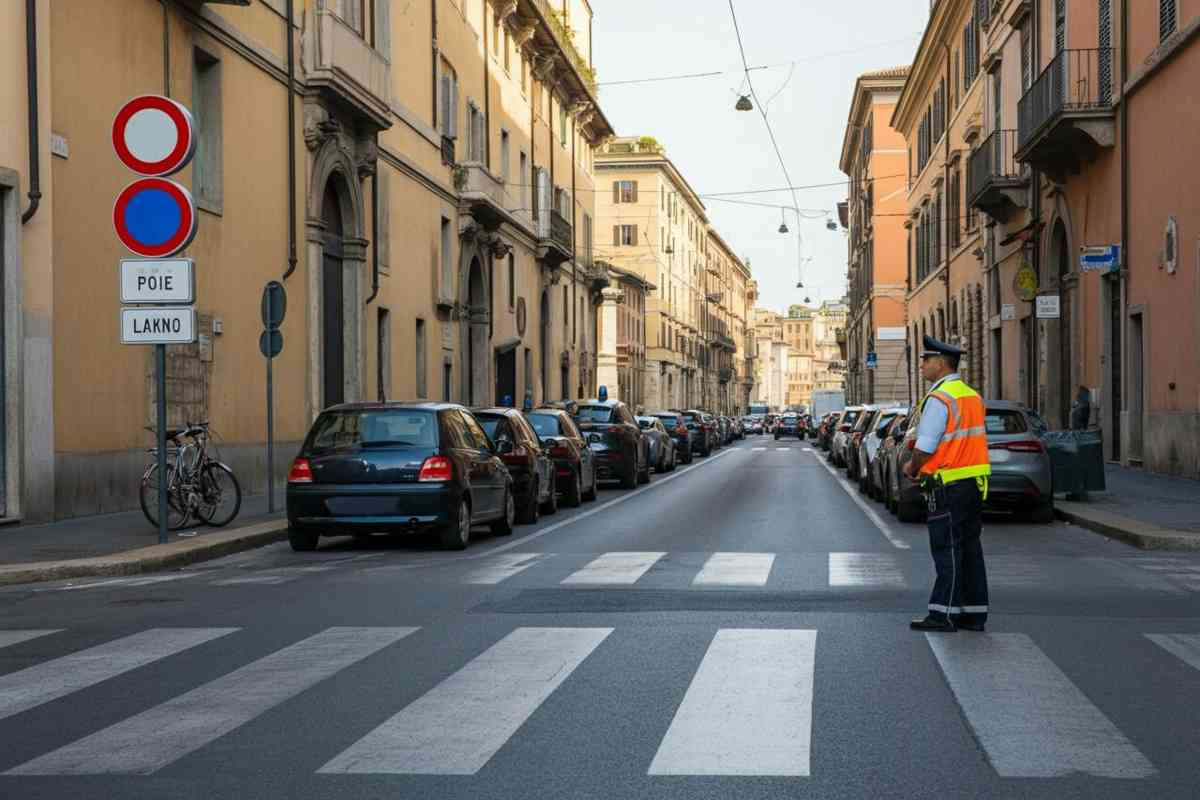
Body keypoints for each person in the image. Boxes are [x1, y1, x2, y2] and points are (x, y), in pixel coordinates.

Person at [904, 335, 991, 633]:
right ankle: (974, 613)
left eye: (926, 360)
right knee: (969, 549)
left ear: (941, 363)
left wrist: (912, 466)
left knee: (947, 549)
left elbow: (927, 446)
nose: (922, 366)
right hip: (973, 483)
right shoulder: (971, 395)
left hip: (947, 482)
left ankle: (942, 614)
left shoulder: (940, 398)